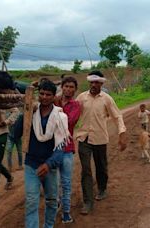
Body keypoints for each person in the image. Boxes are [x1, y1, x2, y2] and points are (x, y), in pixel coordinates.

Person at [14, 79, 69, 228]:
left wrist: (49, 164)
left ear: (53, 96)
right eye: (42, 94)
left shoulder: (60, 117)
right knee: (31, 201)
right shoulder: (32, 112)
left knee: (51, 200)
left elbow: (61, 146)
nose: (44, 97)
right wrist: (25, 113)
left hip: (49, 166)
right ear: (38, 94)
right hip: (31, 163)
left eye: (48, 95)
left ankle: (48, 226)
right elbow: (15, 134)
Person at [76, 70, 127, 215]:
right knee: (86, 170)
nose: (93, 84)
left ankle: (102, 188)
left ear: (101, 83)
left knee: (101, 167)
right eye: (91, 82)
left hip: (100, 139)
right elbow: (72, 113)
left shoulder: (107, 99)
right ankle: (88, 202)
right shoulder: (81, 98)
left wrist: (122, 133)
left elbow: (117, 116)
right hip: (83, 139)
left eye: (96, 82)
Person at [54, 76, 81, 224]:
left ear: (75, 90)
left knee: (66, 182)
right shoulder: (53, 100)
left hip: (67, 148)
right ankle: (57, 203)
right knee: (54, 181)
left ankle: (66, 212)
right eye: (66, 86)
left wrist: (56, 109)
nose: (69, 89)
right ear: (62, 87)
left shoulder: (76, 105)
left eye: (72, 87)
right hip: (52, 148)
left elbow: (69, 121)